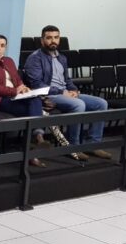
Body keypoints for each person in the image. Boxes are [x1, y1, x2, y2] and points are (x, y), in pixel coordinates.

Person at [24, 25, 111, 160]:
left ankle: (93, 145)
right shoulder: (35, 58)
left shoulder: (62, 58)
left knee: (101, 103)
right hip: (49, 95)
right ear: (42, 40)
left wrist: (74, 90)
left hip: (65, 93)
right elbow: (37, 85)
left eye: (56, 37)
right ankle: (72, 147)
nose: (53, 41)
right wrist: (62, 92)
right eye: (49, 38)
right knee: (79, 105)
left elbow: (67, 80)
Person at [0, 35, 50, 168]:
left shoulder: (9, 61)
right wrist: (14, 91)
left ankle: (36, 139)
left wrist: (24, 87)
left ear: (5, 48)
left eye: (2, 45)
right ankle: (37, 140)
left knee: (35, 100)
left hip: (16, 98)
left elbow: (17, 79)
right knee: (34, 113)